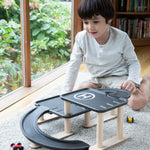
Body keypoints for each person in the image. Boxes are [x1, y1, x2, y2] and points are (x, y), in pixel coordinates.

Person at [62, 0, 150, 110]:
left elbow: (133, 63)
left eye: (95, 22)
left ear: (108, 20)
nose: (90, 27)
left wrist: (132, 80)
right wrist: (65, 93)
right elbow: (73, 66)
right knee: (78, 91)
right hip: (96, 79)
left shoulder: (122, 37)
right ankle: (106, 92)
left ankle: (147, 81)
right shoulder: (81, 38)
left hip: (118, 79)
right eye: (86, 22)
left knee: (136, 102)